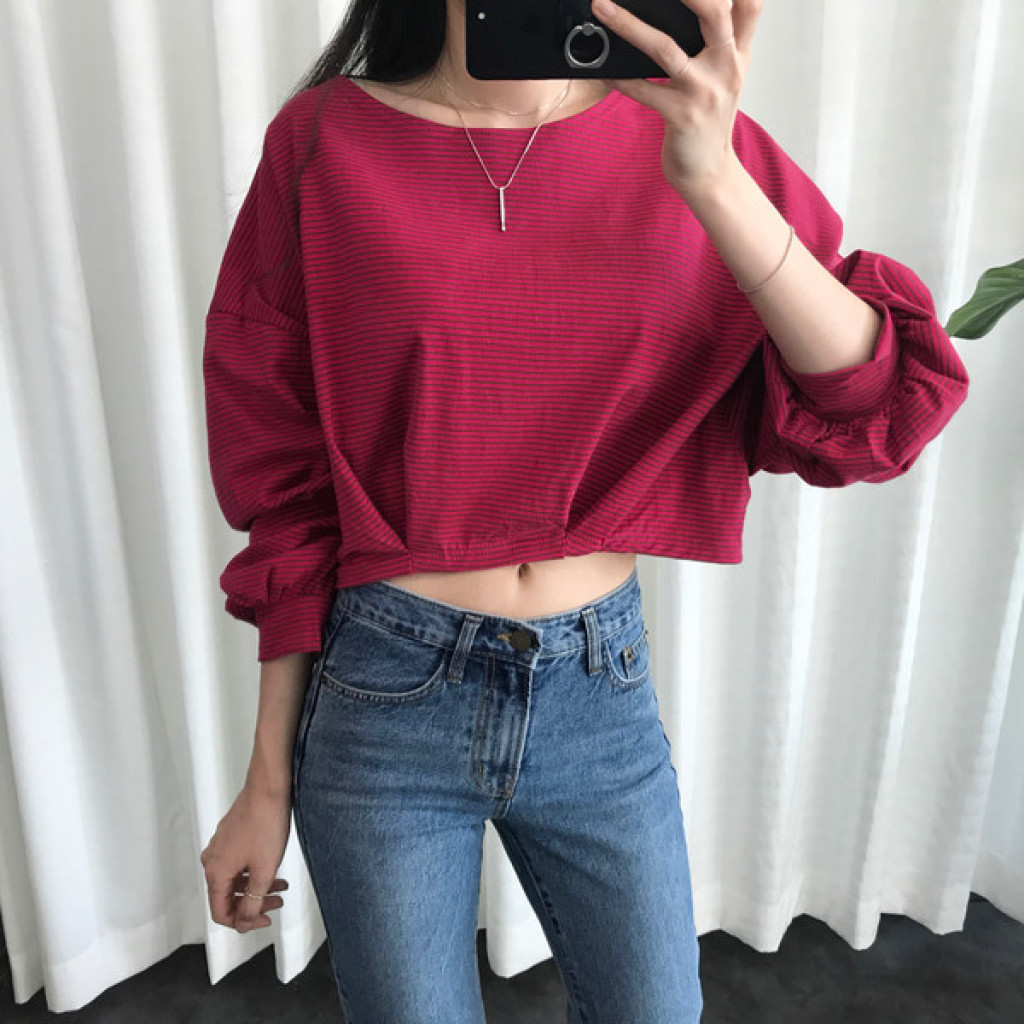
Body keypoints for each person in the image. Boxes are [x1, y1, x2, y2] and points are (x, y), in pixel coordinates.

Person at [198, 0, 970, 1021]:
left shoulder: (689, 134)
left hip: (597, 694)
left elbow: (875, 412)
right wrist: (264, 783)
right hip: (385, 694)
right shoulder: (322, 145)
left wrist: (714, 178)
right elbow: (286, 490)